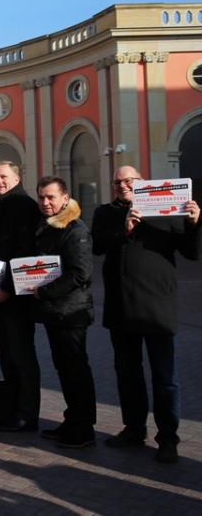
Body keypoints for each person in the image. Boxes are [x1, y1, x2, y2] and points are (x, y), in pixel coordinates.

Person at [92, 166, 201, 463]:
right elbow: (97, 245)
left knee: (165, 377)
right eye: (117, 182)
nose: (122, 185)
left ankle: (168, 438)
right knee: (128, 374)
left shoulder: (168, 209)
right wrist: (124, 228)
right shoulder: (105, 212)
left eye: (129, 180)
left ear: (142, 182)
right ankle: (134, 428)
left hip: (157, 307)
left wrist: (194, 223)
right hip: (121, 307)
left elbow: (191, 253)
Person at [33, 176, 97, 448]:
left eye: (51, 197)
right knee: (65, 369)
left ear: (65, 198)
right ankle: (73, 420)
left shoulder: (75, 229)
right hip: (56, 312)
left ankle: (84, 429)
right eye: (41, 197)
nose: (45, 202)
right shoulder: (49, 226)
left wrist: (45, 292)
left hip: (71, 313)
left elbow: (80, 273)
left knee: (76, 370)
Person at [0, 161, 43, 432]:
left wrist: (8, 287)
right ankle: (12, 407)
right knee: (5, 355)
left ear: (17, 179)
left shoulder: (25, 206)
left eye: (3, 177)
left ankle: (27, 414)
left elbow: (25, 253)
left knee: (21, 357)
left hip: (15, 297)